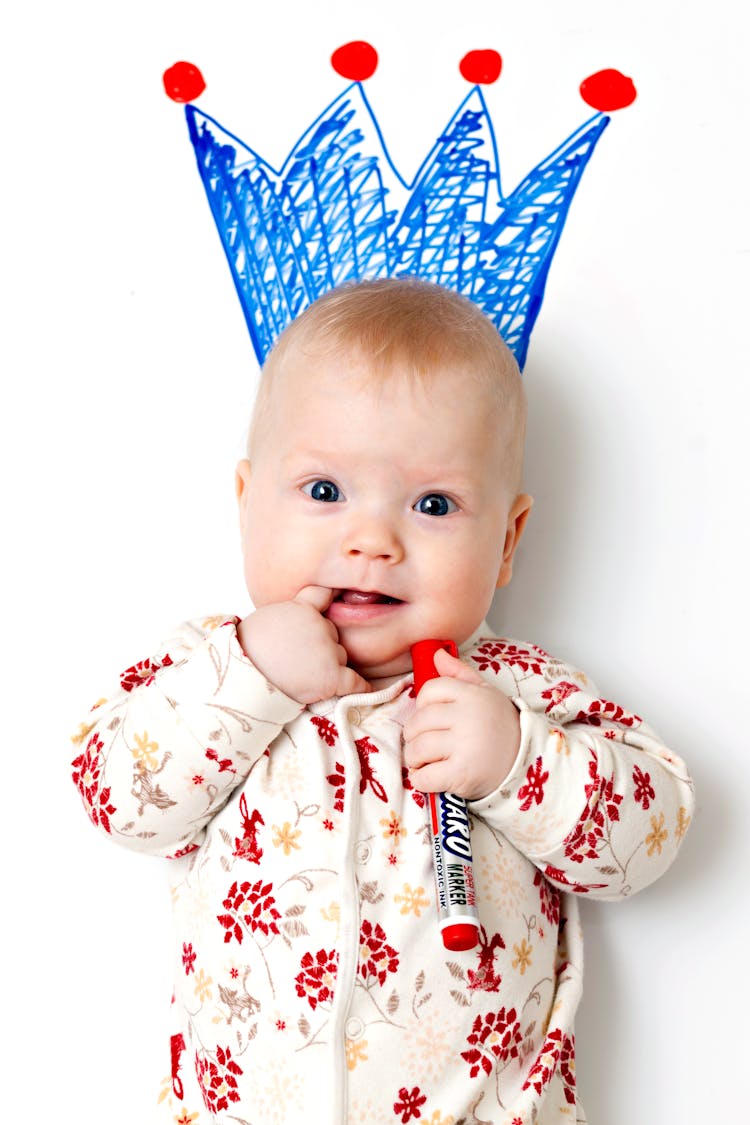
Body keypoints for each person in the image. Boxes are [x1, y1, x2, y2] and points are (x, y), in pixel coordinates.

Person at [71, 278, 694, 1125]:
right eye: (324, 491)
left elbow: (646, 839)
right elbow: (114, 796)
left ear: (506, 541)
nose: (371, 540)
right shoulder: (214, 666)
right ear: (247, 502)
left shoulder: (513, 688)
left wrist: (515, 758)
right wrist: (254, 672)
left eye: (433, 504)